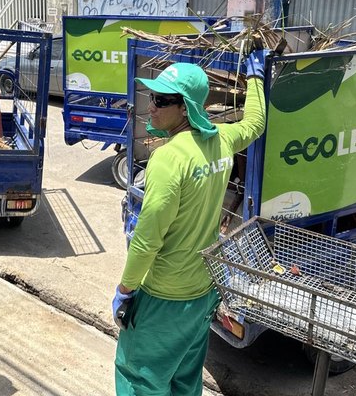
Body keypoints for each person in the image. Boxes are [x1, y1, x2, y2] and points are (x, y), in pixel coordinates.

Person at [113, 50, 269, 395]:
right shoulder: (222, 140)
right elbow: (256, 122)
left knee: (139, 378)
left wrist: (125, 290)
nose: (151, 106)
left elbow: (147, 239)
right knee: (185, 376)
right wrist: (257, 77)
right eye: (152, 96)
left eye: (162, 100)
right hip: (203, 290)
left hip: (164, 295)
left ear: (186, 108)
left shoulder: (168, 158)